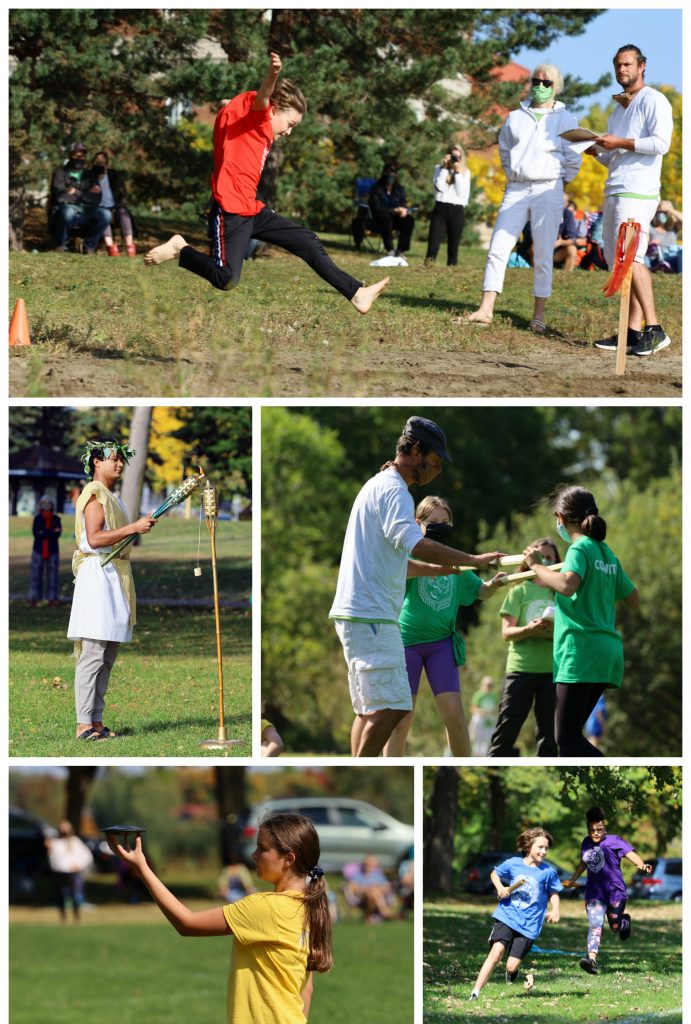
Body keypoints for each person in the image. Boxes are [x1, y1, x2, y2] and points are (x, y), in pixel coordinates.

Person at [144, 52, 388, 315]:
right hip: (230, 209)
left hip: (250, 208)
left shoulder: (251, 120)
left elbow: (244, 107)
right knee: (225, 279)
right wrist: (272, 75)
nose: (289, 131)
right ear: (273, 112)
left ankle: (356, 293)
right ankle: (181, 248)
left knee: (307, 241)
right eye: (290, 124)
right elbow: (262, 98)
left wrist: (228, 103)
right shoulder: (259, 117)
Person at [329, 416, 504, 757]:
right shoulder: (395, 491)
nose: (437, 470)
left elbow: (402, 564)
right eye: (435, 461)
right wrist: (473, 559)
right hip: (372, 617)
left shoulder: (380, 484)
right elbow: (414, 543)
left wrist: (441, 570)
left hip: (360, 614)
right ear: (416, 451)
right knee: (394, 705)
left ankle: (362, 765)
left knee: (370, 711)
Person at [107, 813, 332, 1023]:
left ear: (288, 859)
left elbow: (187, 924)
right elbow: (306, 989)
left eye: (262, 848)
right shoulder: (308, 907)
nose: (254, 855)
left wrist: (142, 868)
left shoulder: (267, 907)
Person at [384, 496, 508, 756]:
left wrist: (493, 585)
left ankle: (463, 771)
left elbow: (478, 592)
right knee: (401, 719)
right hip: (407, 643)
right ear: (419, 523)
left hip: (441, 644)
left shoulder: (456, 560)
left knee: (454, 715)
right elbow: (393, 577)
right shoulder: (409, 554)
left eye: (444, 521)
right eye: (433, 522)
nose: (440, 526)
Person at [522, 485, 640, 757]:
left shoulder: (580, 549)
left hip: (581, 652)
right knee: (571, 740)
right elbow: (633, 599)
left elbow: (566, 585)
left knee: (567, 739)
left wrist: (535, 565)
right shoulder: (607, 553)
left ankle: (613, 780)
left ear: (561, 517)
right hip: (607, 654)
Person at [467, 64, 581, 334]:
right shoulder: (514, 117)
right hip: (516, 188)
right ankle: (485, 309)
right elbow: (505, 149)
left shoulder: (567, 120)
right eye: (536, 80)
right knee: (498, 246)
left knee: (543, 252)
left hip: (549, 189)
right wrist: (512, 173)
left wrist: (559, 182)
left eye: (547, 83)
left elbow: (574, 157)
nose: (540, 86)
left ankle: (538, 315)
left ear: (557, 87)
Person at [67, 439, 156, 740]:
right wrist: (133, 528)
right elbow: (94, 538)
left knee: (107, 654)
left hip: (114, 576)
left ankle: (96, 721)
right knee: (93, 652)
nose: (119, 464)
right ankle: (83, 725)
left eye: (120, 459)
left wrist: (137, 527)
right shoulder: (94, 494)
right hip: (98, 577)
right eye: (113, 459)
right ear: (96, 462)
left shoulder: (111, 496)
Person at [589, 45, 674, 357]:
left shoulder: (654, 100)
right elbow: (616, 157)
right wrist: (597, 151)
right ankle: (632, 333)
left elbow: (661, 143)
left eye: (627, 64)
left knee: (631, 258)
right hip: (616, 187)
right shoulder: (618, 110)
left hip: (639, 191)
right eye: (617, 65)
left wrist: (619, 141)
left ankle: (655, 329)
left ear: (642, 66)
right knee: (619, 262)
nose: (622, 70)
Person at [469, 826, 562, 1000]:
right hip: (507, 915)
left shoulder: (548, 872)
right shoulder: (513, 863)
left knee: (511, 967)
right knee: (496, 953)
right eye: (540, 847)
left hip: (529, 924)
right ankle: (475, 992)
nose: (544, 851)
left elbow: (554, 893)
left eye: (546, 848)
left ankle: (512, 972)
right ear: (528, 847)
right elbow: (494, 874)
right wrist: (500, 888)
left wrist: (555, 909)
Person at [488, 537, 559, 758]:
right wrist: (529, 630)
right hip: (520, 670)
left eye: (549, 558)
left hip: (552, 672)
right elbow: (506, 633)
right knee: (506, 732)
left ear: (558, 561)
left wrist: (550, 632)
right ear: (528, 559)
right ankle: (491, 782)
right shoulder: (518, 591)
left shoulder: (560, 593)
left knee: (550, 737)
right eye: (540, 557)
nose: (545, 561)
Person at [563, 806, 652, 975]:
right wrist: (573, 879)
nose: (595, 833)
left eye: (599, 830)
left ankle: (624, 923)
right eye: (591, 830)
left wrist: (641, 865)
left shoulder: (615, 840)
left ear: (605, 828)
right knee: (595, 925)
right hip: (594, 893)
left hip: (615, 892)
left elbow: (631, 854)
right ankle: (591, 960)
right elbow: (584, 862)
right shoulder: (585, 843)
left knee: (615, 927)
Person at [50, 141, 111, 253]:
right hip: (65, 210)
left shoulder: (91, 175)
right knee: (67, 212)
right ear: (70, 156)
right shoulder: (60, 173)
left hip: (86, 211)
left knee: (106, 214)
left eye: (82, 156)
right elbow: (61, 197)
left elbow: (96, 199)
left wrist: (75, 192)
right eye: (76, 155)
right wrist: (86, 193)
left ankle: (89, 247)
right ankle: (60, 246)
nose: (79, 158)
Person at [424, 144, 471, 266]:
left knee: (453, 245)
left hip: (457, 210)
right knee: (433, 242)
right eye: (453, 156)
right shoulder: (439, 169)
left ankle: (452, 269)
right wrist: (445, 168)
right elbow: (439, 188)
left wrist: (457, 172)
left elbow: (462, 193)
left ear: (462, 157)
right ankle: (428, 266)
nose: (455, 159)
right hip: (441, 207)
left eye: (458, 156)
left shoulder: (465, 172)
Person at [45, 820, 94, 923]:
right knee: (60, 895)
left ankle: (76, 917)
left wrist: (79, 865)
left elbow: (87, 855)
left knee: (74, 895)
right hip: (58, 871)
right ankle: (63, 918)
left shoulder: (74, 841)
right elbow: (53, 858)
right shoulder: (55, 842)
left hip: (71, 872)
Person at [91, 151, 136, 256]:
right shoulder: (90, 176)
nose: (99, 164)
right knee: (104, 215)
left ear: (106, 164)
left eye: (102, 162)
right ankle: (111, 248)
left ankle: (130, 247)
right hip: (98, 208)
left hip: (114, 207)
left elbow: (122, 193)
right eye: (96, 162)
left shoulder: (113, 175)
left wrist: (116, 207)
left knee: (123, 212)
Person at [368, 162, 415, 257]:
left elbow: (403, 203)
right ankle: (390, 249)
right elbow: (376, 208)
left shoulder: (399, 189)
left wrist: (403, 210)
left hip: (396, 218)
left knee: (409, 220)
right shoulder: (376, 188)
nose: (391, 176)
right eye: (389, 172)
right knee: (386, 218)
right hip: (379, 219)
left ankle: (401, 250)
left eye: (393, 173)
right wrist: (393, 210)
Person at [29, 495, 62, 607]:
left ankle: (52, 598)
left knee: (53, 576)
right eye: (44, 502)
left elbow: (57, 534)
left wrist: (44, 532)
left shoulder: (56, 519)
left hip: (53, 551)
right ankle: (34, 598)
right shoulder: (37, 518)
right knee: (35, 575)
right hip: (38, 550)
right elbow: (36, 533)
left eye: (48, 502)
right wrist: (50, 532)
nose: (46, 505)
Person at [343, 854, 396, 923]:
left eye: (371, 863)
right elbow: (352, 887)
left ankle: (369, 916)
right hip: (362, 898)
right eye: (367, 863)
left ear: (375, 865)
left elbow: (387, 887)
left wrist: (376, 888)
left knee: (374, 891)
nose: (369, 864)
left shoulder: (378, 875)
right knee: (372, 891)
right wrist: (368, 889)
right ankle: (384, 911)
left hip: (377, 896)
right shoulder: (358, 875)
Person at [468, 676, 499, 756]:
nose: (488, 687)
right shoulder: (478, 695)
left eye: (490, 685)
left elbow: (496, 709)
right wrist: (481, 711)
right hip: (480, 720)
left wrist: (492, 712)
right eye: (487, 685)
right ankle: (478, 756)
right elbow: (473, 708)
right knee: (479, 739)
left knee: (490, 739)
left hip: (490, 720)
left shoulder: (494, 696)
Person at [552, 193, 579, 271]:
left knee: (572, 249)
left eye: (563, 202)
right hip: (541, 248)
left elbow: (572, 239)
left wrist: (560, 242)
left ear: (566, 204)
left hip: (557, 251)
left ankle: (566, 277)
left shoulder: (567, 214)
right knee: (534, 247)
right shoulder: (544, 211)